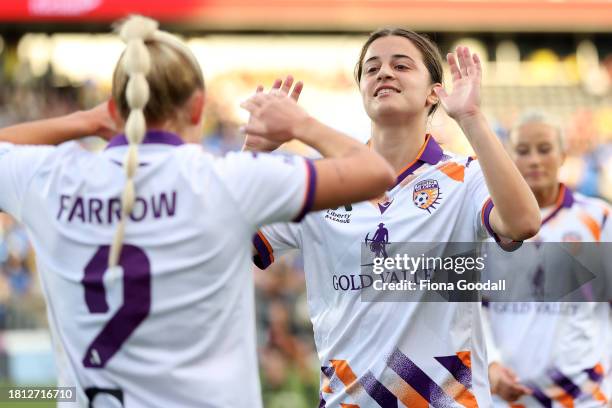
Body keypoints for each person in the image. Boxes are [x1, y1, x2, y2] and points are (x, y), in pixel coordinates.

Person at [0, 16, 396, 407]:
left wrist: (84, 120)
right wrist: (300, 124)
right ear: (197, 108)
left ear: (117, 108)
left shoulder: (54, 178)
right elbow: (375, 172)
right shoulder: (225, 180)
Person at [247, 28, 541, 407]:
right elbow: (236, 241)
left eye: (401, 65)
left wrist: (470, 117)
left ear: (434, 91)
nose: (384, 73)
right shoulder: (321, 180)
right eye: (372, 69)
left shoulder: (466, 176)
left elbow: (522, 223)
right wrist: (250, 156)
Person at [483, 111, 611, 407]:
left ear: (563, 155)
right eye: (523, 151)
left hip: (585, 397)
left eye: (544, 149)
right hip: (508, 396)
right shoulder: (487, 225)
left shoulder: (598, 219)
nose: (534, 160)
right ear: (508, 158)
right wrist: (490, 365)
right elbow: (473, 310)